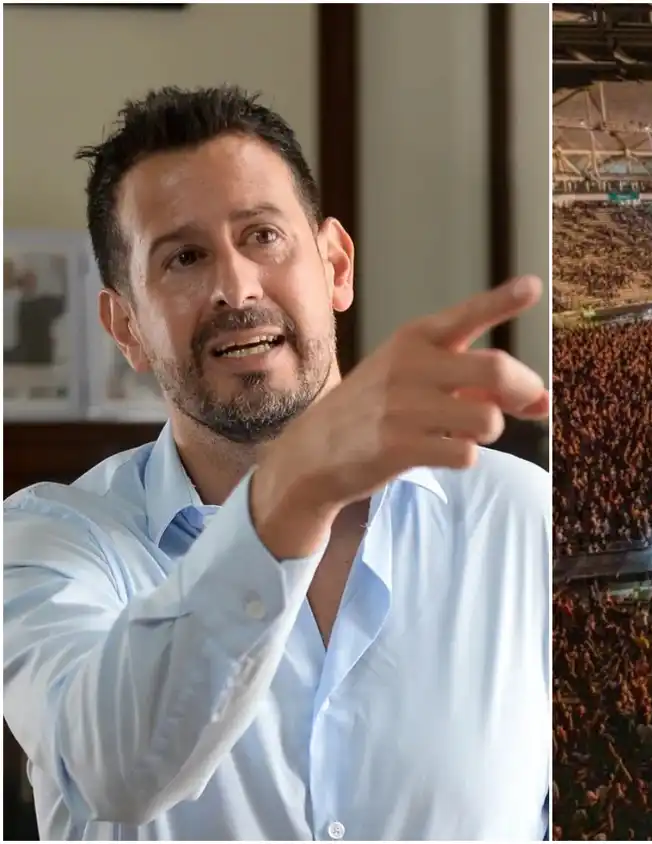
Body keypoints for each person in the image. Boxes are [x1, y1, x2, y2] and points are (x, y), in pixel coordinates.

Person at [2, 86, 551, 840]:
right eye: (185, 258)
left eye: (262, 236)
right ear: (125, 325)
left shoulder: (523, 520)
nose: (235, 288)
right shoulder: (47, 543)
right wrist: (292, 490)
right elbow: (109, 772)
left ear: (335, 266)